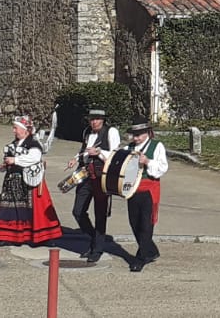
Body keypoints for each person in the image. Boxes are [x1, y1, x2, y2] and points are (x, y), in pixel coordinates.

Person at [0, 116, 64, 246]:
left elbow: (35, 157)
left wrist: (15, 160)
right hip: (12, 181)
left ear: (25, 130)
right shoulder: (14, 144)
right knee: (9, 207)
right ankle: (8, 236)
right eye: (14, 128)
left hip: (30, 182)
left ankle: (43, 237)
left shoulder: (33, 144)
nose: (13, 131)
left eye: (16, 128)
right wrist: (6, 164)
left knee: (37, 209)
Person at [67, 109, 118, 262]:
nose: (94, 122)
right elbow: (83, 150)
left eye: (97, 119)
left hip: (101, 176)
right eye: (91, 119)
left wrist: (100, 152)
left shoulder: (111, 132)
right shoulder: (87, 133)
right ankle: (93, 239)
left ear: (103, 120)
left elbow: (116, 154)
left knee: (100, 213)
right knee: (78, 211)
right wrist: (76, 158)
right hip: (85, 175)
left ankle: (98, 248)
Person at [123, 122, 169, 272]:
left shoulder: (157, 146)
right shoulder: (128, 148)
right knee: (134, 222)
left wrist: (147, 161)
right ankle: (151, 250)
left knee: (146, 224)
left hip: (149, 189)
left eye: (139, 135)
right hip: (132, 189)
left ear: (147, 133)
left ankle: (141, 257)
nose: (135, 138)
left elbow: (162, 167)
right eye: (134, 135)